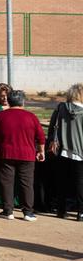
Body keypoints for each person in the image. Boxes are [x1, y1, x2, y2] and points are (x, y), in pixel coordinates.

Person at [0, 89, 46, 221]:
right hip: (27, 154)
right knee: (26, 183)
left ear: (9, 101)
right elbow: (41, 137)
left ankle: (8, 211)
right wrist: (41, 151)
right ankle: (28, 212)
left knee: (6, 182)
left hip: (6, 153)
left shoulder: (0, 115)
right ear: (23, 101)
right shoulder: (31, 117)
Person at [48, 83, 83, 221]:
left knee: (61, 181)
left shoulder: (60, 108)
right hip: (80, 151)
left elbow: (52, 127)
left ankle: (61, 210)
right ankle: (81, 212)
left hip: (61, 150)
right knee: (80, 183)